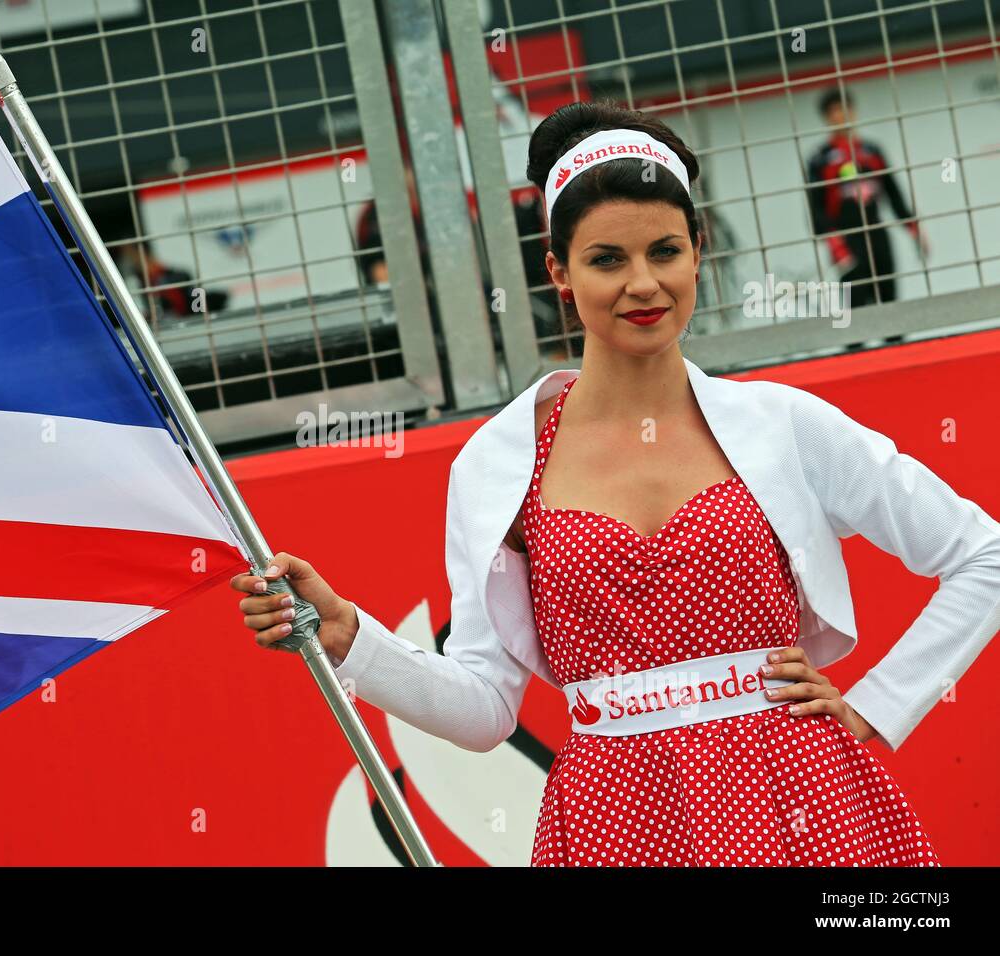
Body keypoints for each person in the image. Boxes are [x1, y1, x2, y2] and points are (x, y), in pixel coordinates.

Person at [230, 99, 1000, 866]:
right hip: (613, 823)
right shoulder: (497, 463)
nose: (644, 285)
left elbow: (982, 557)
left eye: (665, 251)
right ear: (558, 272)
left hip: (804, 803)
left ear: (697, 249)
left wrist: (875, 706)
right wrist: (351, 640)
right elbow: (485, 710)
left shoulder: (782, 423)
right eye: (607, 260)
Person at [805, 89, 929, 345]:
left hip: (877, 231)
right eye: (836, 111)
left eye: (847, 109)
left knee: (888, 298)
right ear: (827, 118)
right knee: (855, 304)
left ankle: (897, 351)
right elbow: (815, 207)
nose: (843, 115)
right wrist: (834, 244)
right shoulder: (820, 158)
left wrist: (914, 228)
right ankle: (854, 355)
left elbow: (893, 193)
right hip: (848, 238)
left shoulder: (872, 150)